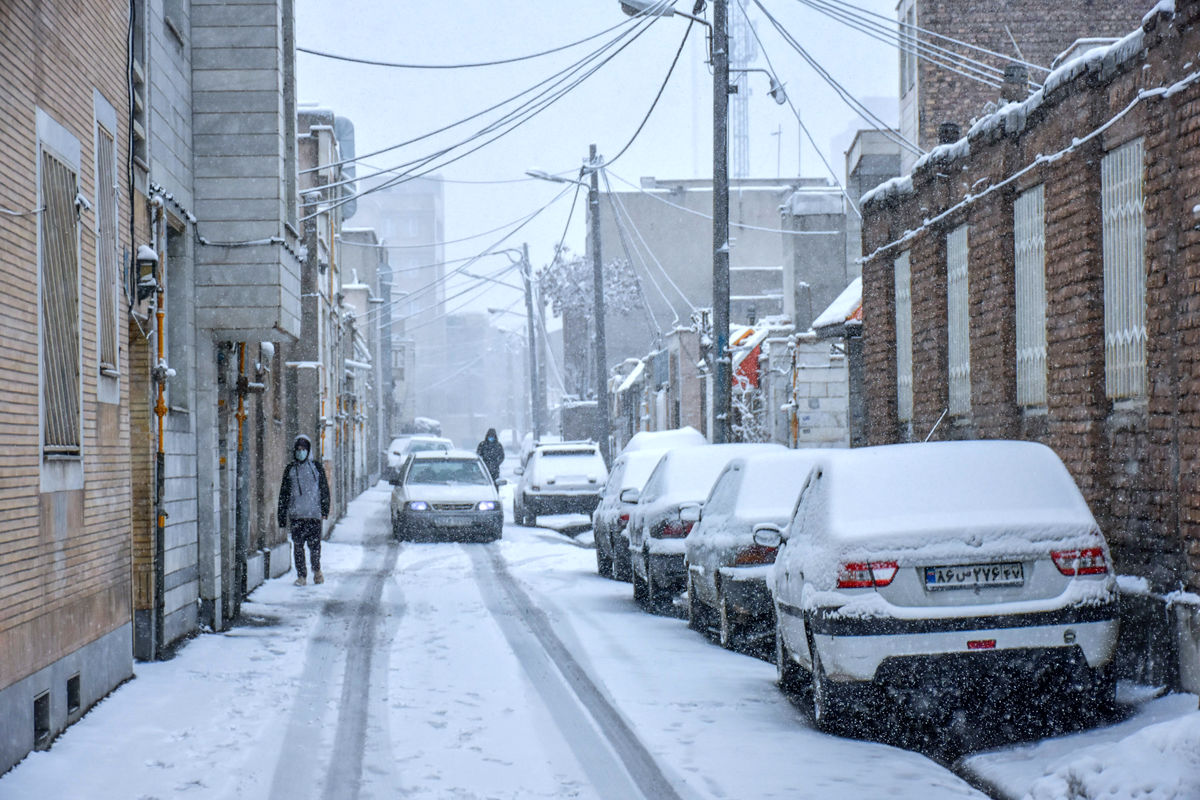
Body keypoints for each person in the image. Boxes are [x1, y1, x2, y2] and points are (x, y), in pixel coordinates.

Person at [277, 434, 330, 586]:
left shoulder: (316, 468)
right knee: (298, 547)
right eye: (298, 449)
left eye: (303, 449)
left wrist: (325, 508)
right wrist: (282, 516)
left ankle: (317, 571)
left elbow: (324, 489)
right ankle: (301, 576)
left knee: (315, 548)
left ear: (308, 450)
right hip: (297, 515)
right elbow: (284, 494)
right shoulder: (290, 470)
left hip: (314, 514)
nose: (300, 452)